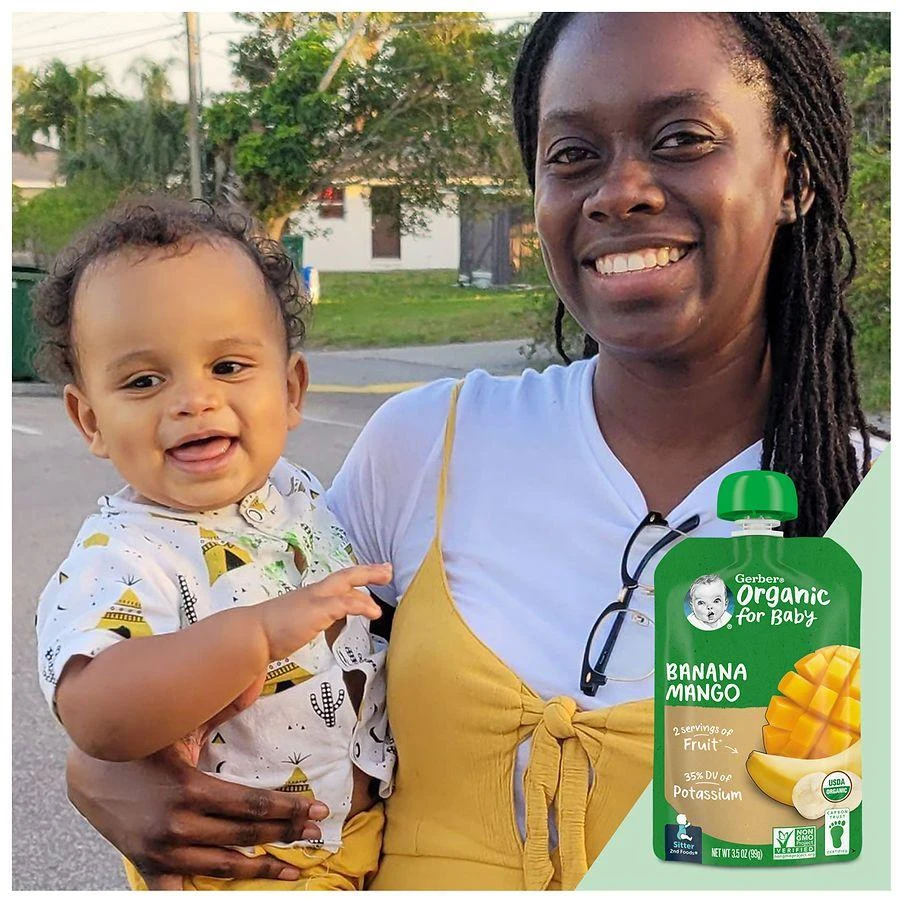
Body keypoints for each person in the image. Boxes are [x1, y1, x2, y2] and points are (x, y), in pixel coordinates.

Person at [62, 12, 885, 891]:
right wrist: (104, 769)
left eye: (682, 138)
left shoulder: (871, 503)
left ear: (792, 174)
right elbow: (253, 678)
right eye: (571, 155)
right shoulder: (426, 444)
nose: (620, 191)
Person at [33, 198, 396, 890]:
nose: (193, 400)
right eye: (144, 381)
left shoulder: (295, 491)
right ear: (90, 420)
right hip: (242, 868)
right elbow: (95, 714)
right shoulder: (125, 554)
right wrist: (255, 635)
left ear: (291, 390)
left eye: (228, 367)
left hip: (360, 838)